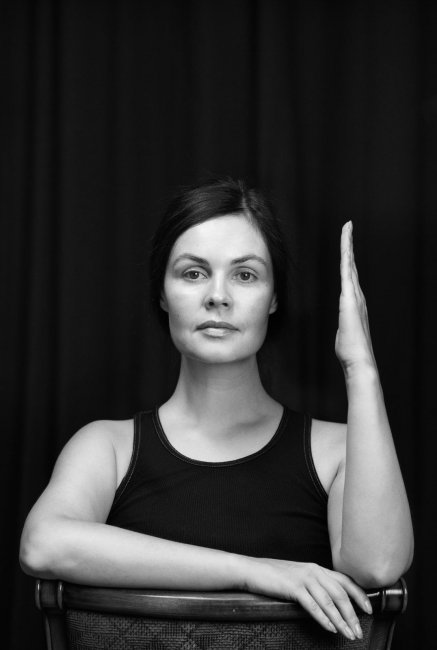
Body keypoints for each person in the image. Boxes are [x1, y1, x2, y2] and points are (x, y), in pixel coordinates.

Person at [20, 178, 414, 641]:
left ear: (274, 298)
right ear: (162, 294)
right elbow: (43, 544)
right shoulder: (106, 446)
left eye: (245, 275)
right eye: (193, 273)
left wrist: (359, 366)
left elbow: (378, 566)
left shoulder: (338, 452)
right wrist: (253, 572)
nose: (218, 296)